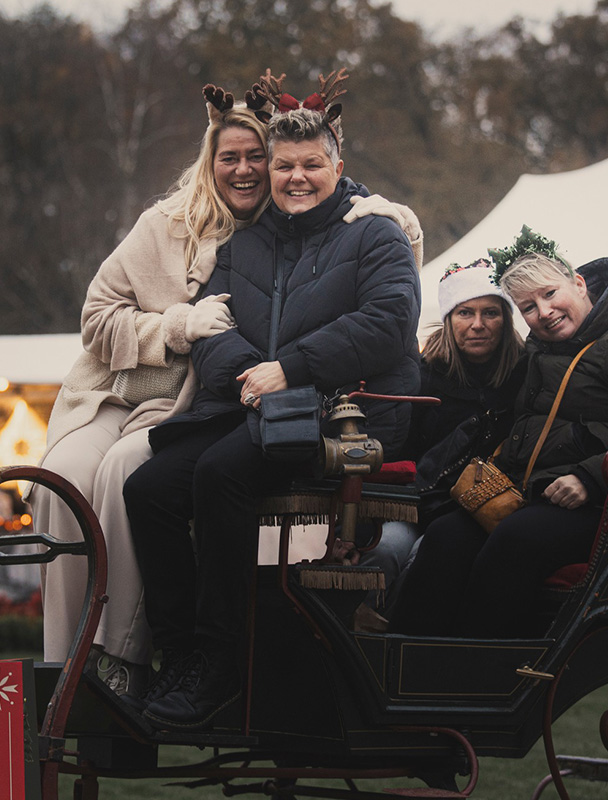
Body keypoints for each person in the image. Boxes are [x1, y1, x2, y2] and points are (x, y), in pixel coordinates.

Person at [31, 80, 423, 696]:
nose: (294, 178)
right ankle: (173, 652)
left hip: (342, 409)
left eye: (310, 166)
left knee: (218, 477)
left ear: (337, 167)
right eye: (284, 166)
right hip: (244, 405)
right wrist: (249, 376)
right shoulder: (250, 240)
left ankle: (219, 661)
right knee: (150, 487)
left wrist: (288, 369)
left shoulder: (374, 231)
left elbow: (387, 323)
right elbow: (214, 323)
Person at [388, 227, 608, 638]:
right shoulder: (542, 349)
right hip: (542, 491)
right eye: (529, 307)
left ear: (578, 282)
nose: (544, 312)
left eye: (550, 294)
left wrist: (593, 477)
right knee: (448, 532)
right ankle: (407, 660)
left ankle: (480, 672)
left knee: (516, 539)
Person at [357, 258, 524, 619]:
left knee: (428, 555)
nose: (477, 325)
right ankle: (363, 641)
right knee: (384, 549)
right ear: (449, 319)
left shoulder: (524, 378)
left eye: (490, 313)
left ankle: (402, 636)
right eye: (465, 313)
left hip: (478, 511)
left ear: (506, 319)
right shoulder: (421, 375)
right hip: (415, 503)